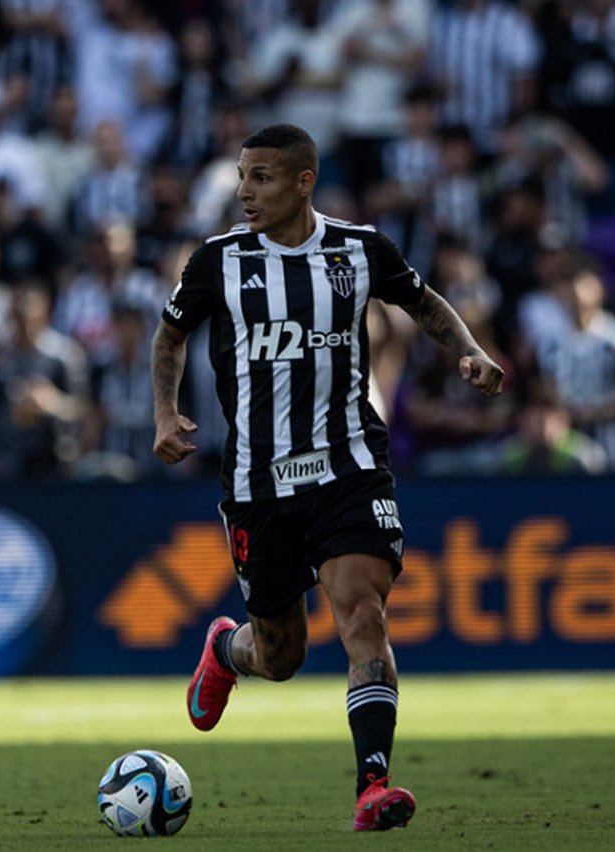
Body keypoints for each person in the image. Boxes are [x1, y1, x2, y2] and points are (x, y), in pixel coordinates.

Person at [150, 124, 504, 832]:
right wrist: (166, 413)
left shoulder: (360, 248)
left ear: (303, 182)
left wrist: (468, 350)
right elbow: (171, 335)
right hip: (258, 481)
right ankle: (226, 648)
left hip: (350, 466)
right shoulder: (219, 260)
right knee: (280, 655)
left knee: (363, 611)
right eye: (243, 177)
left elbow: (424, 302)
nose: (245, 192)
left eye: (262, 178)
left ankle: (372, 787)